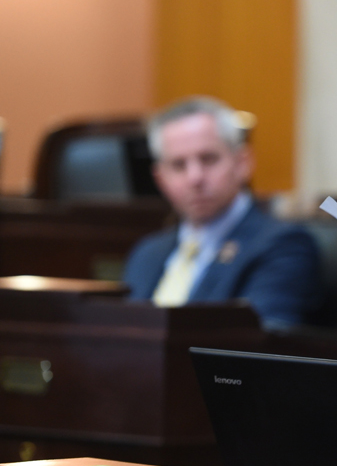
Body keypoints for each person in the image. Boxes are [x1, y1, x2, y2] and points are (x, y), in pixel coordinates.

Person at [122, 96, 320, 327]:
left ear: (242, 163)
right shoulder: (146, 253)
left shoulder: (283, 246)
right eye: (178, 165)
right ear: (161, 179)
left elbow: (257, 347)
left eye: (209, 159)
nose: (195, 178)